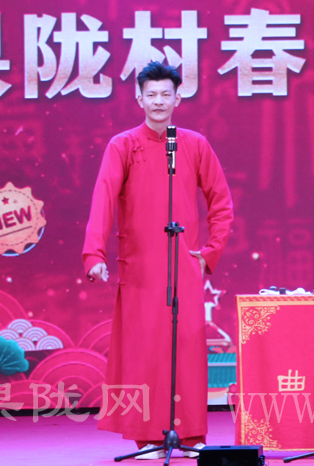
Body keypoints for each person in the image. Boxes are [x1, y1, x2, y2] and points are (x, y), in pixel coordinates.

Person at [82, 61, 233, 459]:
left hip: (184, 265)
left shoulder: (194, 144)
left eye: (166, 94)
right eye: (152, 94)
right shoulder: (123, 145)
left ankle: (190, 434)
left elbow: (221, 201)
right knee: (144, 351)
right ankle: (147, 436)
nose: (159, 101)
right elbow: (103, 199)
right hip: (140, 267)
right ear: (139, 99)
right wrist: (94, 253)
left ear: (178, 98)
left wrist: (210, 253)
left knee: (187, 348)